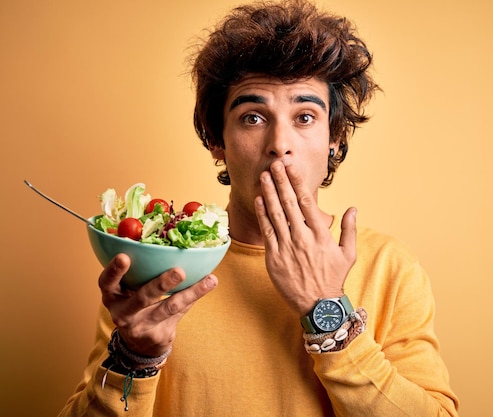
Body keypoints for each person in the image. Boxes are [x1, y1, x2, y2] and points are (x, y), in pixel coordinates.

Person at [58, 0, 459, 415]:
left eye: (305, 117)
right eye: (253, 117)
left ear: (334, 139)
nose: (279, 143)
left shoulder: (389, 267)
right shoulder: (157, 268)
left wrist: (327, 311)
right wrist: (133, 358)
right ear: (218, 140)